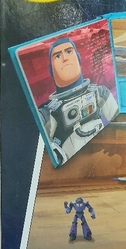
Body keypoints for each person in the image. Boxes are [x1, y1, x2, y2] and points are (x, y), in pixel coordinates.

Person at [38, 37, 119, 166]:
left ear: (79, 58)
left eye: (69, 52)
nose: (65, 58)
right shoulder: (47, 114)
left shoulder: (100, 93)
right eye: (58, 56)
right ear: (51, 69)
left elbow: (120, 128)